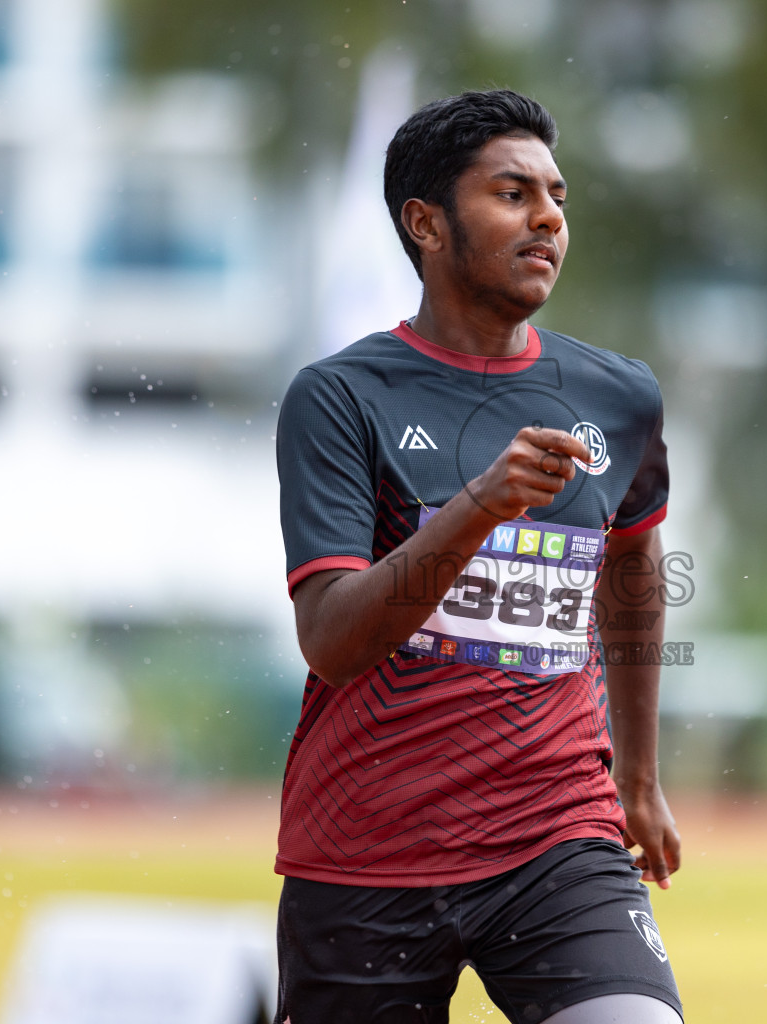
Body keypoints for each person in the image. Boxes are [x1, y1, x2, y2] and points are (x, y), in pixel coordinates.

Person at [273, 88, 683, 1024]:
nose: (548, 217)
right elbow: (334, 641)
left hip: (557, 837)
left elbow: (632, 567)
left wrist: (639, 777)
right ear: (426, 223)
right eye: (512, 193)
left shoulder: (618, 396)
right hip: (366, 850)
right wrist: (477, 508)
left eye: (558, 196)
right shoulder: (338, 399)